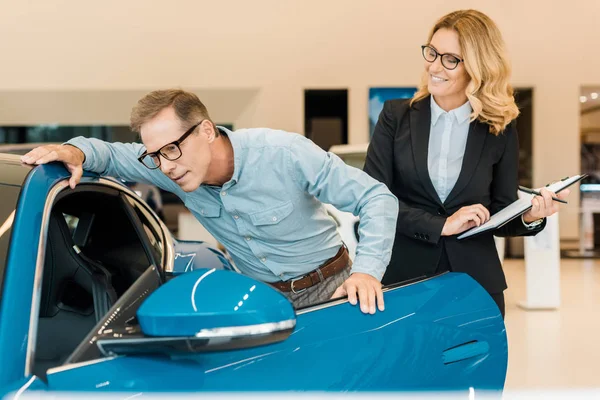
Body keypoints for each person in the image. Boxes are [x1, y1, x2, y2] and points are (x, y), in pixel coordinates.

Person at [22, 89, 398, 314]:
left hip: (331, 287)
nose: (165, 167)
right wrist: (71, 150)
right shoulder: (172, 164)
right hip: (259, 298)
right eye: (155, 155)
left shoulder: (283, 153)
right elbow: (109, 153)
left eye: (171, 148)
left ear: (205, 130)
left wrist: (367, 272)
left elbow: (375, 197)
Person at [363, 9, 569, 318]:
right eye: (432, 52)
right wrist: (441, 225)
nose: (434, 66)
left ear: (477, 67)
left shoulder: (499, 127)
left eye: (450, 59)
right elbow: (374, 200)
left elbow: (500, 210)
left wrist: (529, 215)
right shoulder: (395, 117)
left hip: (477, 285)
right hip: (405, 280)